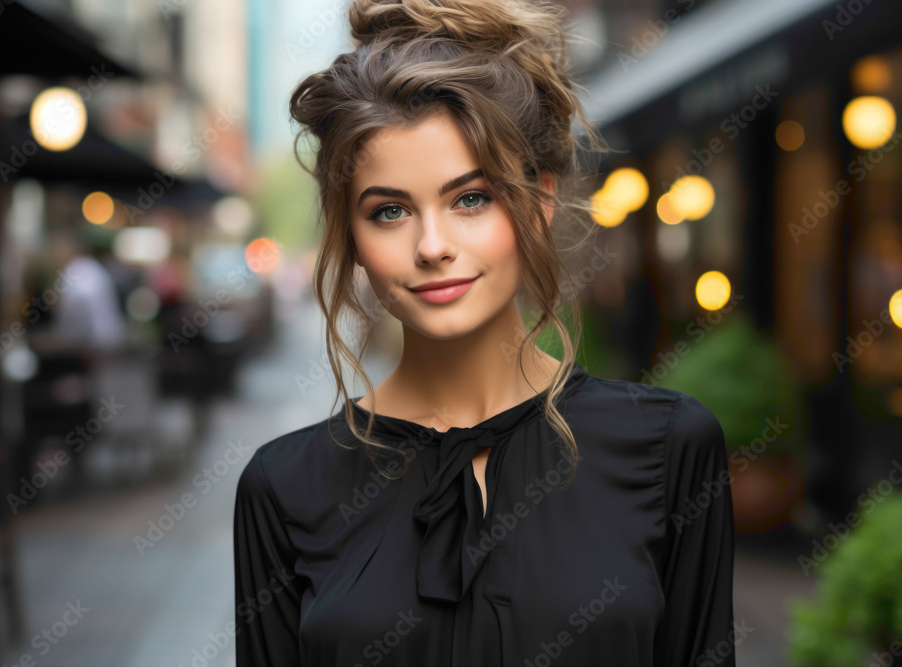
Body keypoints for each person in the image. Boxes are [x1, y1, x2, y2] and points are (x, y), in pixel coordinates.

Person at [233, 1, 735, 665]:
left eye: (471, 198)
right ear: (351, 237)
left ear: (539, 200)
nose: (433, 245)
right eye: (388, 211)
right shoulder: (284, 485)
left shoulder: (668, 450)